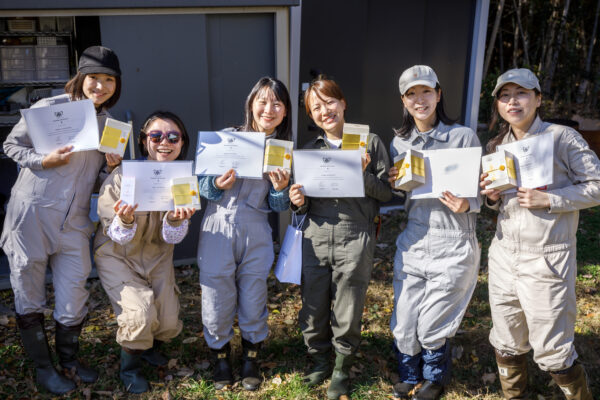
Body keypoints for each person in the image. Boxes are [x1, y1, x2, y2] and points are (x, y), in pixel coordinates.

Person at [0, 46, 122, 394]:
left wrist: (112, 168)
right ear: (80, 77)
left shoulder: (111, 125)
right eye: (94, 78)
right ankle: (44, 367)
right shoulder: (48, 108)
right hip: (31, 216)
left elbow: (100, 180)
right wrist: (43, 160)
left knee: (74, 291)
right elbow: (11, 145)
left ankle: (69, 361)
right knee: (28, 290)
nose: (100, 86)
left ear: (117, 84)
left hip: (75, 222)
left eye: (109, 79)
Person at [480, 68, 599, 400]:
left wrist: (551, 199)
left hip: (547, 258)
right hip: (504, 256)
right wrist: (491, 197)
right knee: (506, 339)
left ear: (538, 99)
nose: (512, 101)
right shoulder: (497, 145)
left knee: (552, 349)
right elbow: (498, 203)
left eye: (521, 93)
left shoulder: (561, 138)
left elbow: (596, 186)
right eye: (505, 96)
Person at [289, 77, 392, 400]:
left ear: (343, 103)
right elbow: (305, 204)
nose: (325, 111)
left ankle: (341, 369)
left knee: (348, 305)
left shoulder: (370, 143)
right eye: (316, 107)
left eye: (330, 102)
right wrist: (297, 200)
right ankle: (320, 360)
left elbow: (387, 193)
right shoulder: (309, 152)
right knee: (313, 304)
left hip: (355, 233)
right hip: (316, 233)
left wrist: (361, 174)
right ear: (311, 116)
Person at [387, 65, 481, 400]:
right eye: (411, 94)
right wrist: (395, 184)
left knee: (431, 322)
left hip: (453, 238)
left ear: (438, 95)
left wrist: (467, 204)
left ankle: (434, 378)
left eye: (426, 91)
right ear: (403, 101)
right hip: (414, 237)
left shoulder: (463, 137)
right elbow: (402, 193)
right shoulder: (399, 142)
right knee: (404, 319)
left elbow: (484, 190)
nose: (420, 100)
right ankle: (409, 373)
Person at [197, 77, 291, 391]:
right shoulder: (226, 138)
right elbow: (202, 188)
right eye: (263, 101)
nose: (269, 109)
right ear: (251, 104)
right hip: (218, 225)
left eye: (277, 103)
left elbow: (278, 205)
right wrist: (216, 184)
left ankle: (251, 356)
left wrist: (280, 188)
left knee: (254, 295)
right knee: (216, 293)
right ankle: (221, 356)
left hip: (257, 228)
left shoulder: (282, 149)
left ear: (285, 111)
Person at [93, 111, 195, 393]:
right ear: (143, 141)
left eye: (173, 136)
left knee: (169, 320)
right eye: (156, 136)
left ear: (182, 142)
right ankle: (130, 368)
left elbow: (174, 237)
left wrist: (175, 219)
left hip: (157, 255)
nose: (165, 142)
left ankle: (148, 348)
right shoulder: (122, 176)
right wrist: (126, 220)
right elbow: (115, 234)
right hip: (118, 255)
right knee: (140, 314)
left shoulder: (183, 179)